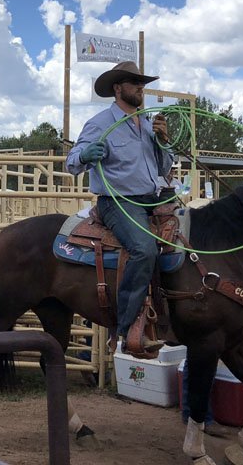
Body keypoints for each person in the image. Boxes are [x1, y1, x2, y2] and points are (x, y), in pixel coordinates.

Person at [66, 61, 172, 353]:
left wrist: (163, 142)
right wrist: (85, 155)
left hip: (153, 199)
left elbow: (164, 168)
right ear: (118, 88)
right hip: (117, 202)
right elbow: (72, 162)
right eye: (134, 82)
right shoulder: (100, 123)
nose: (141, 87)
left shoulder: (149, 125)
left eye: (142, 83)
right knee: (144, 248)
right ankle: (125, 329)